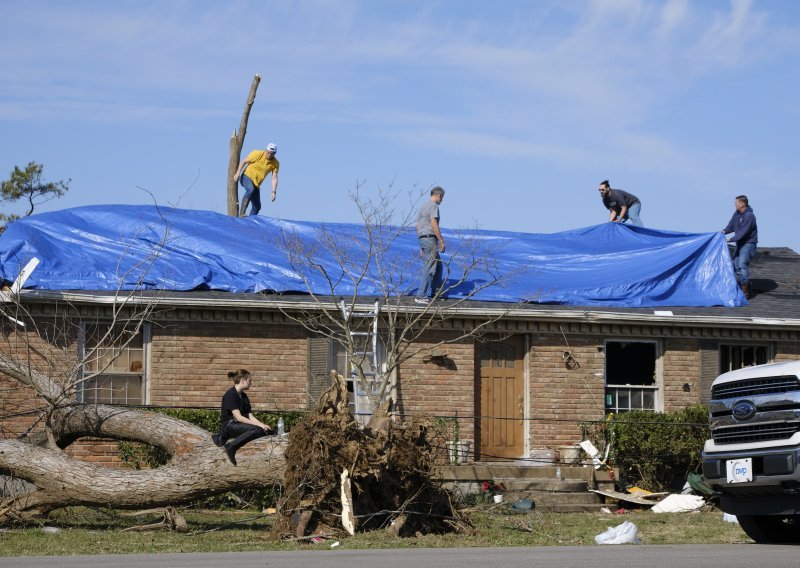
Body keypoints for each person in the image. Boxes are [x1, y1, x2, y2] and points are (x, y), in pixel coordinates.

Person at [212, 369, 272, 465]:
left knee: (266, 431)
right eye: (249, 381)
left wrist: (262, 425)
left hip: (238, 425)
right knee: (257, 430)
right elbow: (239, 417)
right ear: (243, 380)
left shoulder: (244, 396)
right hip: (229, 426)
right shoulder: (230, 395)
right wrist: (259, 426)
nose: (251, 383)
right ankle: (230, 447)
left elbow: (250, 416)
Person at [722, 195, 758, 299]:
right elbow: (731, 226)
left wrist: (730, 239)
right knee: (736, 265)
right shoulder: (737, 214)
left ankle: (745, 290)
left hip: (748, 244)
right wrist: (723, 232)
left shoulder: (750, 216)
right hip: (740, 243)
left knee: (742, 264)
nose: (735, 205)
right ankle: (741, 284)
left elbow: (744, 232)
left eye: (736, 203)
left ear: (742, 204)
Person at [415, 186, 446, 304]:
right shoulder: (433, 206)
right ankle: (421, 295)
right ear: (438, 195)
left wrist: (422, 244)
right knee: (430, 267)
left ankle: (436, 293)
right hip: (430, 238)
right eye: (442, 198)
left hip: (424, 239)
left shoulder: (423, 206)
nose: (442, 200)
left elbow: (417, 226)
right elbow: (434, 223)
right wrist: (441, 240)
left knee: (438, 266)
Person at [233, 143, 280, 217]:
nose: (269, 155)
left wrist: (274, 191)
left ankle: (250, 221)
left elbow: (274, 178)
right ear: (266, 150)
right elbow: (244, 162)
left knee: (257, 206)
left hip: (256, 184)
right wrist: (237, 173)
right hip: (246, 176)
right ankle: (242, 213)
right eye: (268, 152)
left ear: (274, 153)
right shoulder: (257, 154)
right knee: (250, 189)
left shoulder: (275, 163)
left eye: (272, 154)